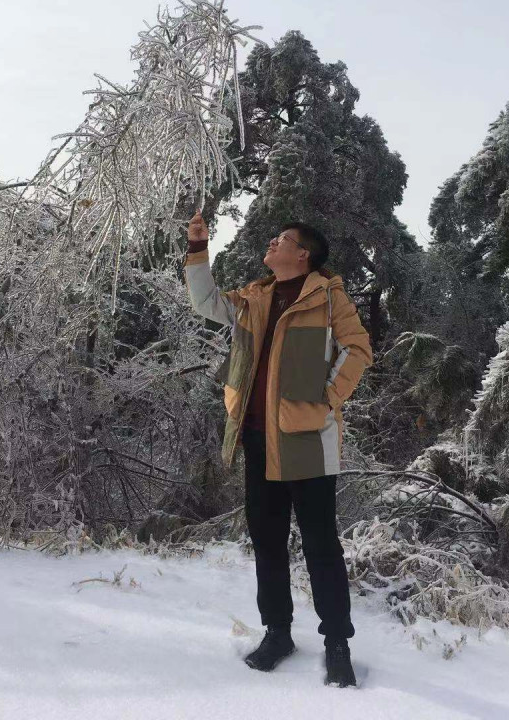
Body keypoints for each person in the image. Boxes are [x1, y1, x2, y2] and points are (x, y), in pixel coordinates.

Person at [183, 208, 372, 687]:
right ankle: (278, 633)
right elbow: (205, 302)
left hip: (307, 439)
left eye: (282, 239)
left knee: (320, 545)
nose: (273, 242)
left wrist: (326, 398)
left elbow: (357, 349)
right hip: (255, 435)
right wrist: (198, 247)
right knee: (268, 541)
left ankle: (337, 642)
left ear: (303, 254)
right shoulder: (254, 297)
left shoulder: (328, 298)